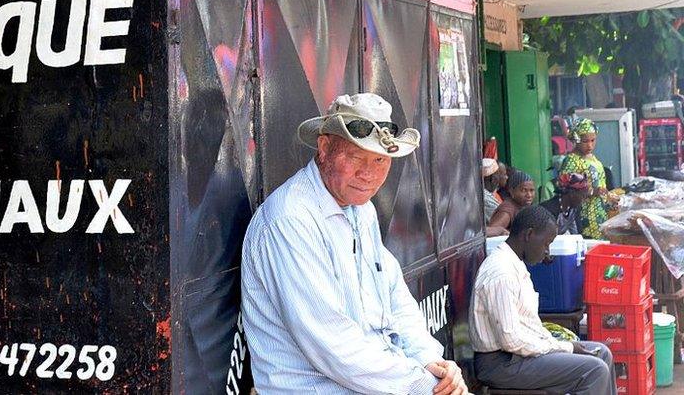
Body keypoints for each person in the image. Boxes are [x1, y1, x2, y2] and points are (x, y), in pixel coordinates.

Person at [241, 93, 468, 395]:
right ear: (324, 148)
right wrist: (423, 384)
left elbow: (394, 297)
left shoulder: (361, 209)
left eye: (379, 159)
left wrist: (430, 360)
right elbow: (334, 346)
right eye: (355, 157)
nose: (368, 174)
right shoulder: (291, 220)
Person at [470, 205, 616, 394]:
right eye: (546, 243)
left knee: (602, 352)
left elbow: (528, 327)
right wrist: (565, 347)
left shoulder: (514, 265)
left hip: (517, 356)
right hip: (502, 364)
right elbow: (511, 340)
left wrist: (560, 346)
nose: (547, 251)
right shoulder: (501, 273)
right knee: (594, 370)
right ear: (529, 235)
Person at [558, 118, 613, 239]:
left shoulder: (592, 158)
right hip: (583, 214)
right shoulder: (572, 160)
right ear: (576, 140)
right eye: (585, 141)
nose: (590, 145)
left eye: (593, 140)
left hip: (599, 212)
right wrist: (592, 191)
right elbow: (565, 188)